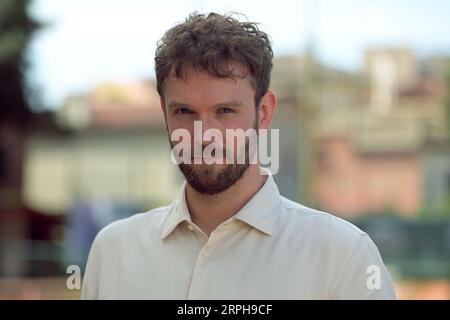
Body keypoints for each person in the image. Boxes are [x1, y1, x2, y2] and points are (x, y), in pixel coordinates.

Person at [81, 12, 396, 299]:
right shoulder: (114, 252)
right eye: (184, 111)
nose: (204, 134)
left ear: (265, 111)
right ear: (164, 112)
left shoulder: (342, 257)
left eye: (225, 111)